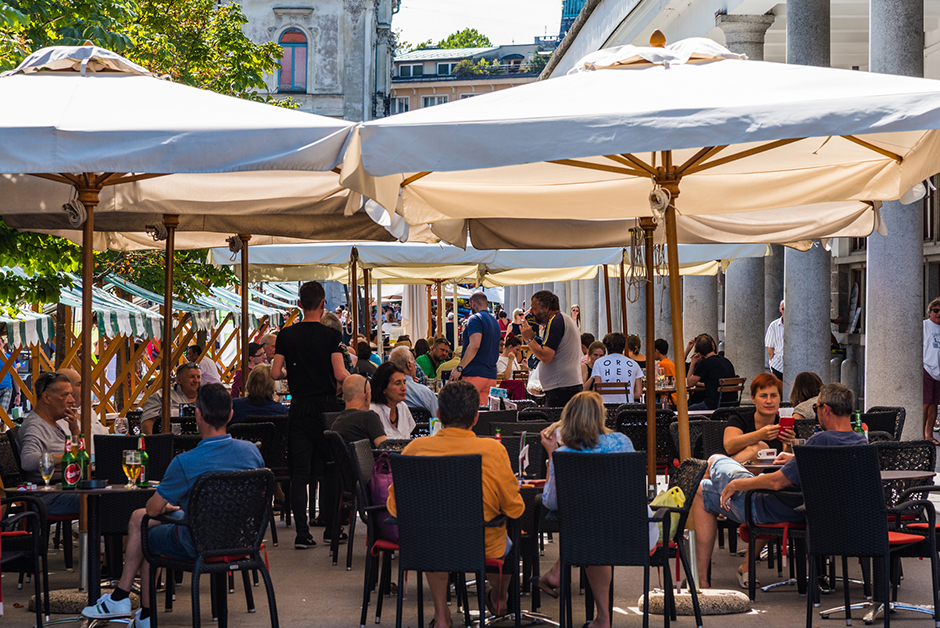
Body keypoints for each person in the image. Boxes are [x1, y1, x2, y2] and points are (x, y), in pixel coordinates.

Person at [81, 383, 265, 628]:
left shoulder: (186, 462)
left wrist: (172, 508)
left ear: (197, 414)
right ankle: (134, 608)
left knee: (147, 530)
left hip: (198, 542)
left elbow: (153, 509)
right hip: (243, 540)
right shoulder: (251, 452)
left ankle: (128, 601)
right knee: (141, 519)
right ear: (231, 415)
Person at [692, 382, 865, 589]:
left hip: (775, 510)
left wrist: (738, 484)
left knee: (711, 469)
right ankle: (732, 571)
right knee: (708, 483)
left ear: (826, 409)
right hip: (819, 513)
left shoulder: (821, 440)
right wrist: (794, 458)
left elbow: (775, 482)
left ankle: (702, 582)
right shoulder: (860, 442)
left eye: (816, 408)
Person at [386, 381, 525, 628]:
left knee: (433, 535)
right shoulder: (492, 450)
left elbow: (396, 508)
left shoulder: (414, 449)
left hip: (425, 544)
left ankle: (442, 616)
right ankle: (499, 597)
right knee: (509, 540)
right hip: (480, 543)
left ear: (439, 415)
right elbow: (514, 508)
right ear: (475, 418)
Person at [538, 392, 657, 628]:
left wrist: (552, 454)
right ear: (601, 416)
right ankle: (600, 616)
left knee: (589, 529)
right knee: (595, 526)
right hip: (636, 532)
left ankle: (600, 614)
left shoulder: (564, 455)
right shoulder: (623, 442)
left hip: (592, 537)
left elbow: (550, 502)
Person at [271, 280, 349, 549]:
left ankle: (302, 533)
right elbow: (340, 374)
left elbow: (274, 373)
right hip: (327, 408)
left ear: (300, 304)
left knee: (300, 472)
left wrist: (291, 373)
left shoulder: (286, 335)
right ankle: (331, 528)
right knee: (330, 468)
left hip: (300, 406)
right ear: (324, 303)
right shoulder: (331, 337)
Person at [16, 372, 80, 515]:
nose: (72, 401)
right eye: (65, 395)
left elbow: (79, 455)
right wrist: (67, 456)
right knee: (106, 501)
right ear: (46, 397)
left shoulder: (54, 424)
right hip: (48, 498)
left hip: (64, 489)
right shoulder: (36, 426)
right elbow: (28, 460)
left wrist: (75, 431)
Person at [521, 290, 583, 407]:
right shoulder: (561, 319)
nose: (531, 312)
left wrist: (529, 339)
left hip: (562, 389)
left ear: (546, 308)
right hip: (563, 387)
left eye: (534, 308)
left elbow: (546, 356)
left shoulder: (555, 320)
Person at [723, 373, 794, 463]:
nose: (769, 401)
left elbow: (786, 464)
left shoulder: (785, 424)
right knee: (760, 448)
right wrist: (760, 435)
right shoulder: (739, 419)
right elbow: (729, 446)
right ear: (753, 399)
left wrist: (788, 444)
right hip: (741, 473)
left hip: (773, 475)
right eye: (763, 396)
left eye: (774, 395)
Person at [449, 291, 501, 405]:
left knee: (466, 414)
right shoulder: (495, 322)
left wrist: (459, 368)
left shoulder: (475, 319)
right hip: (490, 376)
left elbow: (474, 345)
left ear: (473, 304)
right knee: (482, 416)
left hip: (474, 373)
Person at [54, 368, 109, 454]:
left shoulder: (89, 412)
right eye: (79, 384)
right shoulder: (57, 420)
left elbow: (107, 437)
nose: (85, 388)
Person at [140, 363, 200, 435]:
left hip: (205, 443)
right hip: (171, 443)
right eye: (191, 377)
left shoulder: (208, 397)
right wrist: (156, 442)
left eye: (198, 377)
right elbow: (147, 421)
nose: (196, 380)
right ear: (179, 380)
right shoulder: (162, 396)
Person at [584, 333, 642, 404]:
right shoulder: (634, 364)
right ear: (624, 346)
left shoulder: (599, 362)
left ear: (606, 347)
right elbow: (638, 393)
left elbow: (598, 389)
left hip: (605, 407)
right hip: (626, 408)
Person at [330, 375, 387, 447]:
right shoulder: (369, 417)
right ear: (367, 396)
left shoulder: (335, 423)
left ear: (344, 398)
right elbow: (385, 450)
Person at [686, 334, 736, 411]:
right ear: (713, 345)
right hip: (731, 404)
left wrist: (693, 363)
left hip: (712, 405)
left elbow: (689, 383)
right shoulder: (726, 361)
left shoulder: (705, 363)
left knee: (684, 411)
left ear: (699, 353)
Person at [389, 346, 439, 417]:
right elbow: (436, 420)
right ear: (409, 365)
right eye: (414, 362)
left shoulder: (386, 391)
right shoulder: (425, 393)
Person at [370, 362, 415, 439]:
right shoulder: (373, 411)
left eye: (404, 382)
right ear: (383, 388)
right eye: (397, 383)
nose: (404, 388)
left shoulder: (403, 407)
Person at [924, 296, 940, 443]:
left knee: (935, 403)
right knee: (925, 403)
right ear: (930, 312)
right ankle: (920, 433)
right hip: (927, 368)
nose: (938, 313)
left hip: (939, 372)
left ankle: (929, 435)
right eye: (936, 310)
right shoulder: (924, 326)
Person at [653, 338, 677, 406]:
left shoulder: (659, 365)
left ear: (656, 351)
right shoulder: (671, 363)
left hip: (666, 399)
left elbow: (655, 383)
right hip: (675, 398)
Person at [765, 300, 785, 379]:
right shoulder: (773, 326)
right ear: (780, 309)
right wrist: (771, 362)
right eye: (783, 309)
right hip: (778, 365)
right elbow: (770, 347)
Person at [0, 338, 20, 412]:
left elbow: (15, 376)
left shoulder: (9, 358)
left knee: (3, 414)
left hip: (6, 388)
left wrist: (18, 393)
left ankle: (3, 423)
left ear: (3, 344)